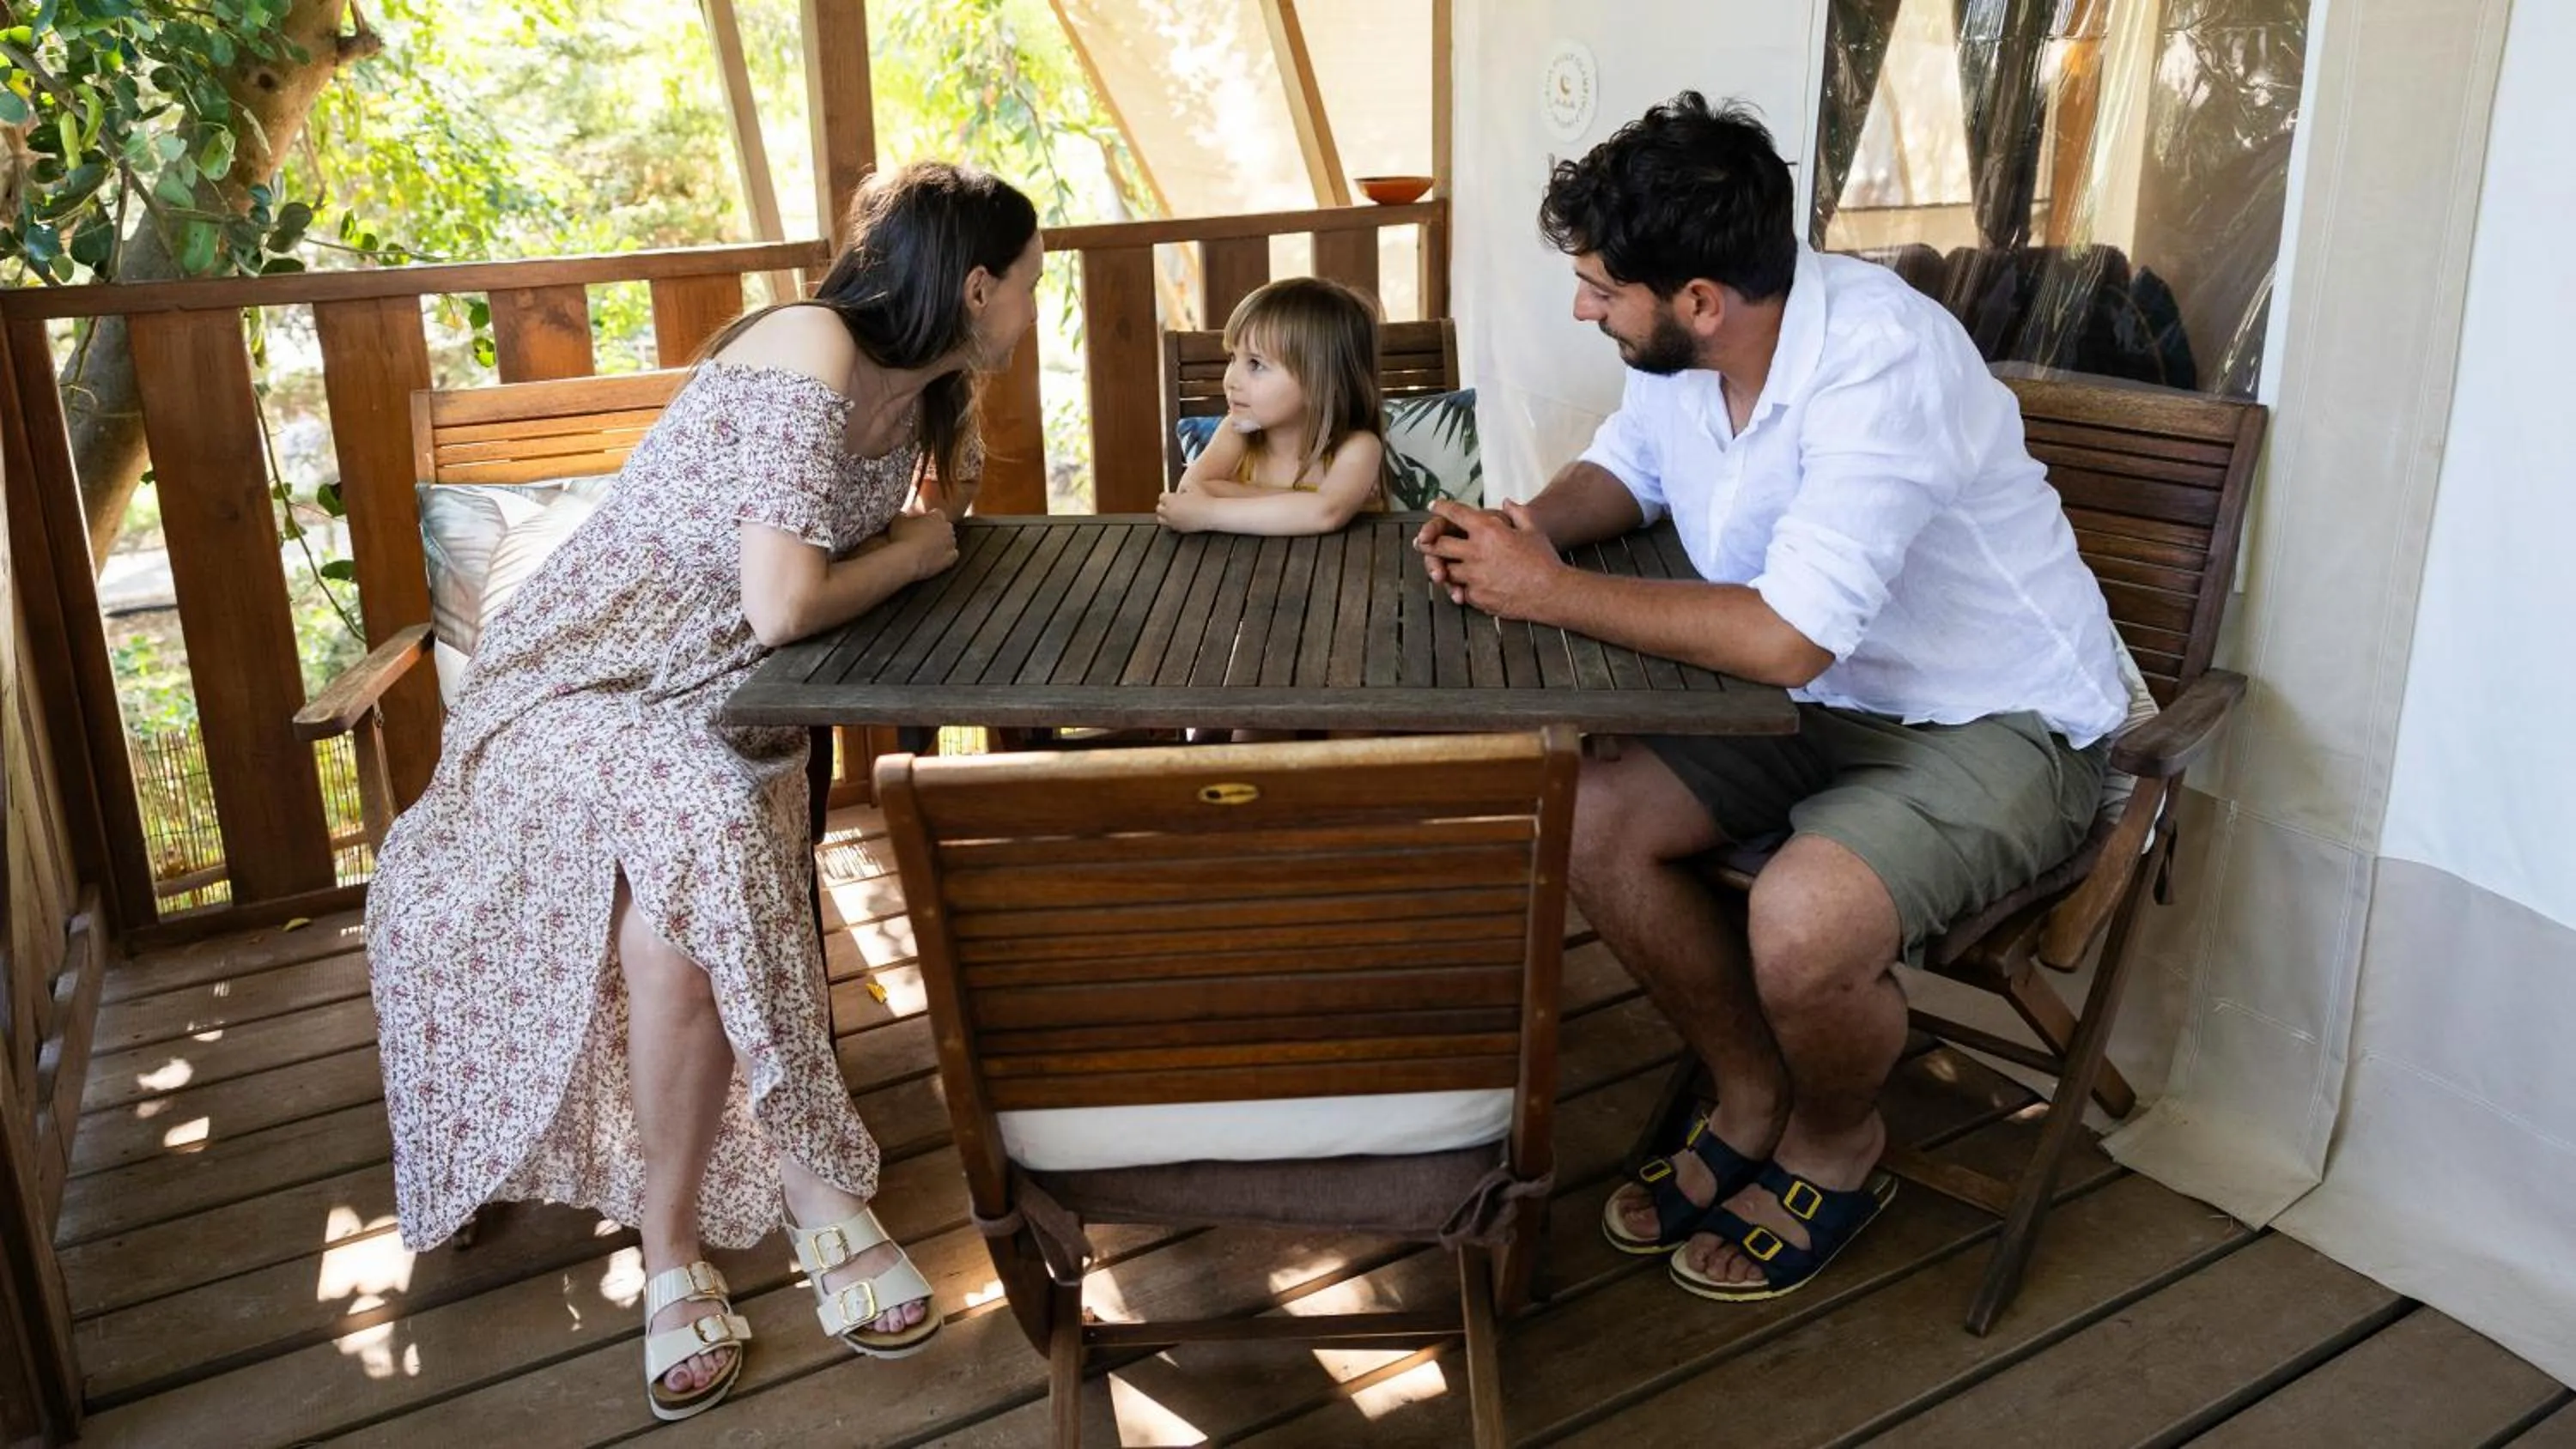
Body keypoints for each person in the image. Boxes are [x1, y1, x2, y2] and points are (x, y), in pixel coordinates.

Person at [1418, 94, 2132, 1303]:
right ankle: (1748, 1089)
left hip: (1994, 722)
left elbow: (1791, 636)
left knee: (1800, 927)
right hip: (1814, 698)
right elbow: (1631, 474)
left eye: (1599, 286)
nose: (1584, 306)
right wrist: (1530, 526)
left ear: (1699, 299)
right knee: (1588, 818)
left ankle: (1838, 1137)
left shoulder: (1881, 363)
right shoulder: (1694, 350)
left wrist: (1542, 595)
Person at [363, 161, 1043, 1420]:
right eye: (1030, 285)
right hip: (575, 696)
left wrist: (910, 543)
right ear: (981, 283)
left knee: (681, 905)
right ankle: (814, 1186)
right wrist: (905, 550)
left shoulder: (925, 391)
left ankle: (671, 1251)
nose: (1032, 309)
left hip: (717, 707)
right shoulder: (809, 346)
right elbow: (786, 602)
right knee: (715, 819)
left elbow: (796, 602)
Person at [1156, 276, 1388, 537]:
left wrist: (1211, 511)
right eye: (1233, 357)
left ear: (1320, 385)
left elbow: (1325, 513)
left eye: (1255, 364)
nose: (1230, 379)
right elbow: (1190, 491)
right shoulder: (1237, 431)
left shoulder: (1359, 447)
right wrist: (1307, 503)